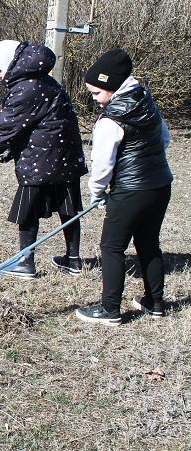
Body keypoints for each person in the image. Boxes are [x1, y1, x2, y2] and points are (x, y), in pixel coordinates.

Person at [0, 40, 88, 279]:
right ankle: (73, 260)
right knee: (69, 209)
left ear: (12, 64)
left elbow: (5, 129)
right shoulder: (43, 81)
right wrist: (8, 151)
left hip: (40, 159)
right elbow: (31, 125)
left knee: (29, 211)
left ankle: (25, 263)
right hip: (65, 156)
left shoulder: (26, 88)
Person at [75, 49, 173, 326]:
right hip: (160, 185)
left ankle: (110, 310)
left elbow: (102, 164)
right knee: (149, 243)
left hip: (130, 191)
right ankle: (154, 303)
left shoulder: (111, 119)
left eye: (97, 93)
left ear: (112, 85)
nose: (95, 99)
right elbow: (165, 139)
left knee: (112, 247)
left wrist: (97, 192)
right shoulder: (145, 101)